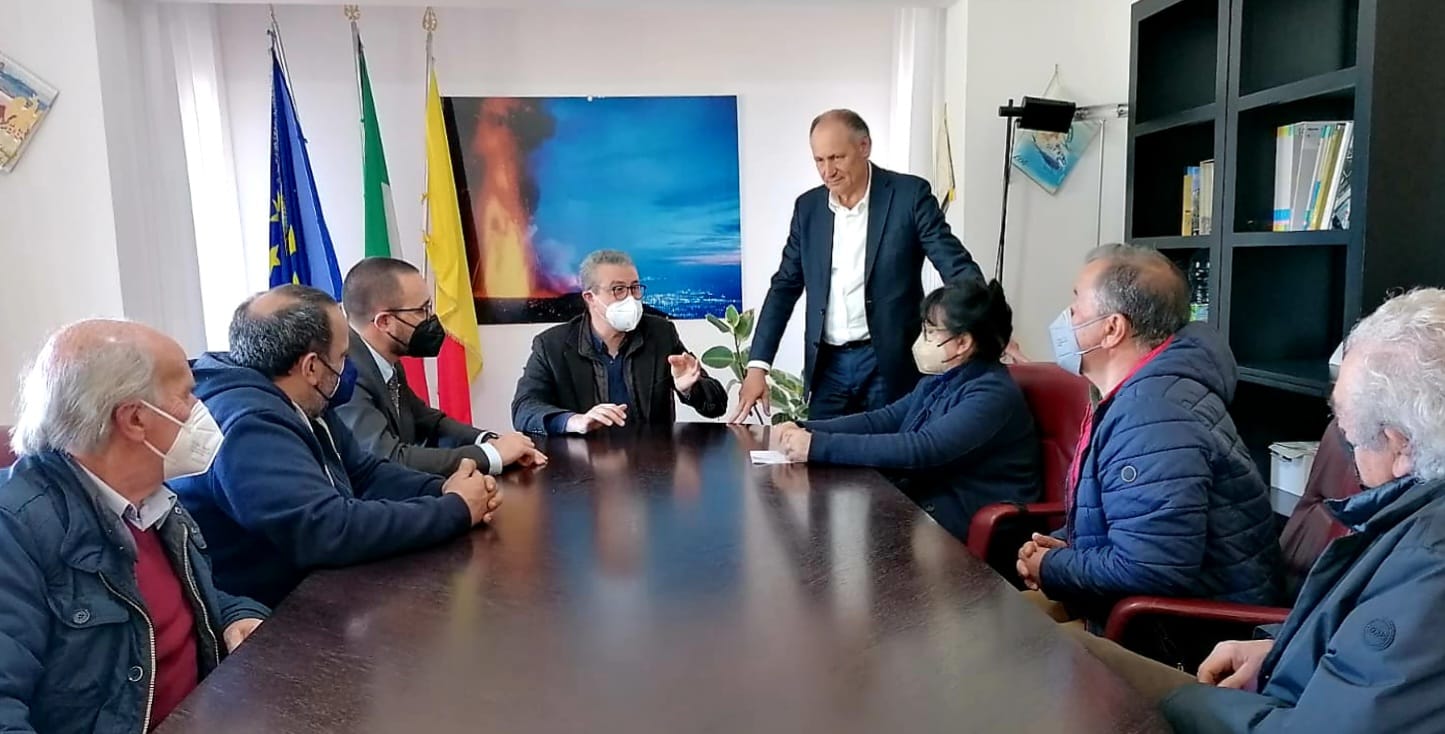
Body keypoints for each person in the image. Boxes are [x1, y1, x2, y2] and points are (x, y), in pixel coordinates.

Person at [1065, 288, 1445, 734]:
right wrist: (1281, 648)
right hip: (1280, 687)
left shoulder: (1428, 560)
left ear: (1401, 446)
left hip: (1268, 711)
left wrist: (1185, 702)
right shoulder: (1414, 521)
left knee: (1074, 667)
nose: (1347, 449)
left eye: (1350, 436)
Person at [0, 320, 268, 733]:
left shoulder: (152, 499)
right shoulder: (15, 528)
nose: (200, 408)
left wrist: (236, 616)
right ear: (135, 419)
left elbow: (184, 599)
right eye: (186, 394)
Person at [169, 285, 502, 607]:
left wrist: (444, 488)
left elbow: (365, 473)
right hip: (269, 617)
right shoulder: (249, 426)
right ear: (312, 367)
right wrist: (455, 509)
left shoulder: (302, 398)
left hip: (316, 589)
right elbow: (327, 530)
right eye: (343, 356)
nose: (348, 368)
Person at [1016, 243, 1277, 629]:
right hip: (1132, 612)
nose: (1065, 319)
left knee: (997, 643)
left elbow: (1150, 568)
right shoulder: (1143, 394)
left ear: (1112, 329)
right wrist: (1064, 546)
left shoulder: (1153, 414)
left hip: (1183, 637)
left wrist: (1053, 566)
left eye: (1075, 306)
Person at [731, 109, 981, 422]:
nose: (828, 171)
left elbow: (954, 264)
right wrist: (758, 366)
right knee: (819, 449)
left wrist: (985, 325)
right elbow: (784, 286)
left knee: (890, 449)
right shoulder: (808, 209)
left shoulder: (908, 196)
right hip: (828, 368)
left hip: (888, 362)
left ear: (864, 147)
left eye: (837, 157)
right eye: (819, 160)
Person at [775, 279, 1040, 541]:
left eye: (931, 331)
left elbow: (923, 448)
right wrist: (805, 428)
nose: (922, 339)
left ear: (963, 343)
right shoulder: (941, 380)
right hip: (928, 504)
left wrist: (817, 446)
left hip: (966, 519)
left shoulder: (992, 394)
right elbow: (882, 420)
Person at [336, 257, 546, 476]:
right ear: (384, 322)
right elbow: (388, 459)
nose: (431, 318)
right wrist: (491, 455)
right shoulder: (347, 373)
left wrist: (489, 440)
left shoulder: (385, 361)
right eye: (422, 310)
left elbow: (428, 422)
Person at [511, 249, 727, 434]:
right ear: (590, 298)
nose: (630, 298)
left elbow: (717, 406)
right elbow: (523, 409)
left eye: (635, 288)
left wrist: (691, 388)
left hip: (654, 460)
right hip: (583, 462)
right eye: (618, 289)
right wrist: (574, 421)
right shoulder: (551, 346)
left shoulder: (661, 334)